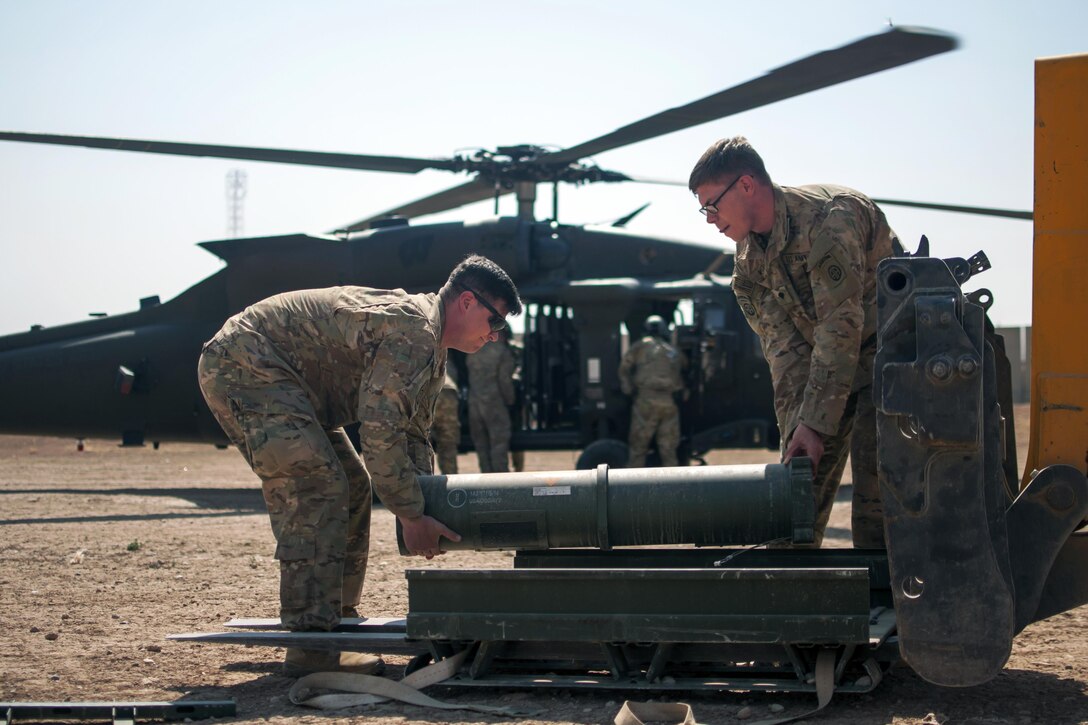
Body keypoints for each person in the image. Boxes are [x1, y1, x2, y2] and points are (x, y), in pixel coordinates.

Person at [196, 254, 522, 676]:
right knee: (319, 487)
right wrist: (410, 514)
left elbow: (412, 436)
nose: (495, 336)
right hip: (245, 366)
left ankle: (338, 625)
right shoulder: (415, 333)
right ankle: (313, 649)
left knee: (349, 484)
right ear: (466, 303)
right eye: (495, 322)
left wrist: (429, 509)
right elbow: (380, 436)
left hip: (288, 385)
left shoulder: (433, 349)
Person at [689, 136, 901, 548]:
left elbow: (841, 324)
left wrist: (815, 423)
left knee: (877, 501)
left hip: (889, 359)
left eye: (712, 205)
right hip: (832, 364)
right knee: (797, 491)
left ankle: (884, 603)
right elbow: (785, 354)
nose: (709, 219)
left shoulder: (829, 220)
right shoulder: (749, 262)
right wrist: (800, 434)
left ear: (746, 186)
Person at [619, 315, 687, 467]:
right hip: (668, 403)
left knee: (638, 449)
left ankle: (633, 485)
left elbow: (624, 368)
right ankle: (673, 485)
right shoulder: (673, 351)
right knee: (668, 449)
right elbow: (684, 368)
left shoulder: (640, 347)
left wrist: (628, 389)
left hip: (645, 402)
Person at [465, 328, 517, 472]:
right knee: (499, 444)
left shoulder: (474, 350)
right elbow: (504, 380)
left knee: (481, 446)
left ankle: (486, 481)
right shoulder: (502, 352)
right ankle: (500, 482)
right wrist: (511, 400)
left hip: (474, 403)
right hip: (494, 402)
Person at [430, 369, 461, 474]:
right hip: (448, 391)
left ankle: (424, 481)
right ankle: (451, 483)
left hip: (427, 390)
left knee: (421, 442)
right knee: (448, 443)